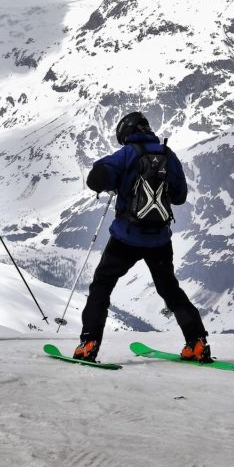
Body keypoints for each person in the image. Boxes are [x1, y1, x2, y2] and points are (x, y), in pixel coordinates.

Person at [74, 112, 210, 363]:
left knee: (102, 285)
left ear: (126, 132)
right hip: (159, 240)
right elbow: (179, 196)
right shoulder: (168, 155)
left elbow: (97, 179)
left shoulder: (127, 153)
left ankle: (89, 344)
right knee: (170, 290)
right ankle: (197, 343)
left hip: (126, 237)